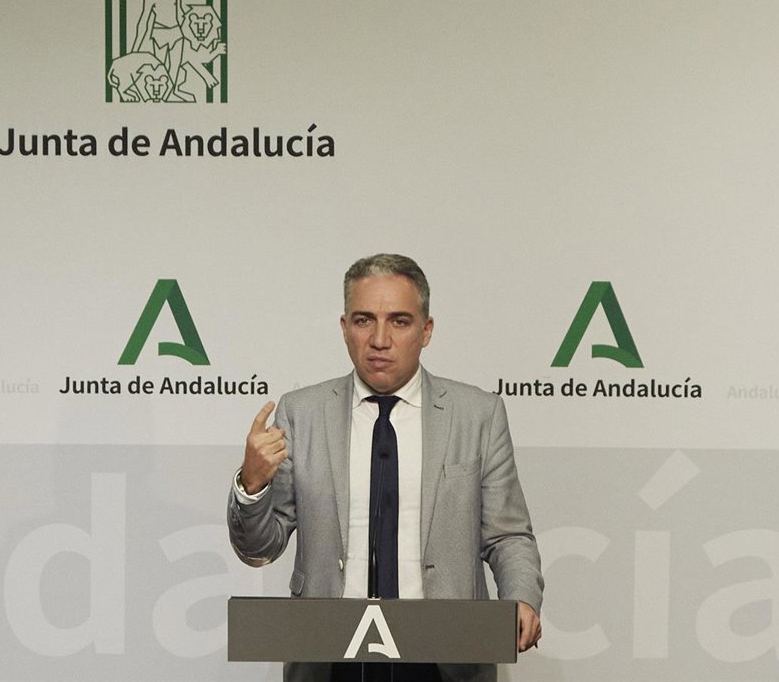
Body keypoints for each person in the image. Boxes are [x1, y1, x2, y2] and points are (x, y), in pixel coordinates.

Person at [228, 254, 543, 682]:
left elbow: (508, 535)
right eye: (364, 320)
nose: (379, 339)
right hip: (327, 659)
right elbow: (259, 549)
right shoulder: (301, 413)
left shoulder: (477, 415)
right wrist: (251, 484)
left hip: (446, 657)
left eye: (399, 321)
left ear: (426, 330)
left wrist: (521, 596)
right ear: (344, 328)